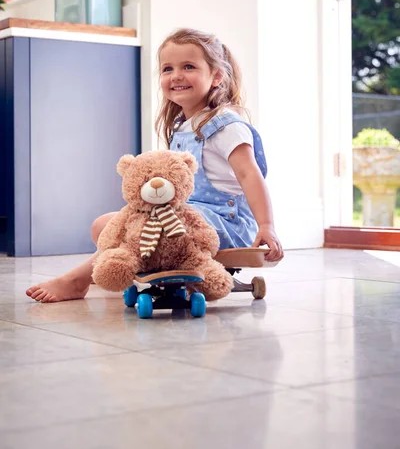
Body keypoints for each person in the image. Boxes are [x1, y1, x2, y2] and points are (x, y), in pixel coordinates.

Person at [26, 28, 283, 303]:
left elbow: (249, 174)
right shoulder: (183, 127)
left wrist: (266, 225)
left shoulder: (225, 125)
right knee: (104, 226)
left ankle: (77, 280)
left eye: (189, 66)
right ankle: (114, 269)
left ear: (217, 76)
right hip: (181, 217)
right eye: (167, 68)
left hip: (223, 224)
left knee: (141, 224)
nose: (176, 75)